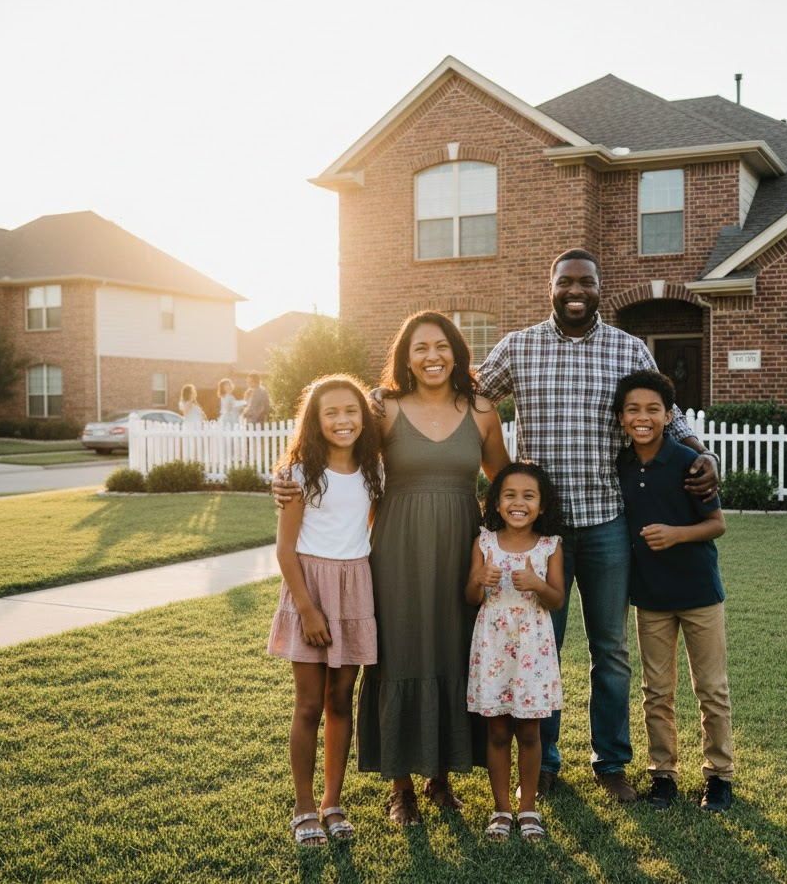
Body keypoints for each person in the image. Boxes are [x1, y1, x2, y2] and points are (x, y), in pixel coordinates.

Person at [476, 248, 720, 802]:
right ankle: (548, 764)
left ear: (600, 289)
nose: (576, 290)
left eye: (586, 282)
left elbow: (668, 414)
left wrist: (703, 454)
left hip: (609, 522)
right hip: (544, 534)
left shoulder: (628, 348)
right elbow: (467, 396)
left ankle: (610, 762)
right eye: (566, 281)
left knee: (610, 651)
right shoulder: (518, 347)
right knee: (544, 647)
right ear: (551, 287)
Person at [276, 311, 510, 826]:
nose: (432, 356)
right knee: (398, 652)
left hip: (459, 547)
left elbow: (502, 483)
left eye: (441, 346)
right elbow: (334, 455)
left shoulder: (483, 410)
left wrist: (515, 542)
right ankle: (401, 786)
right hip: (395, 549)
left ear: (457, 351)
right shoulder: (383, 408)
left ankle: (441, 778)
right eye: (420, 348)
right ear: (406, 357)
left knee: (452, 648)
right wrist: (284, 483)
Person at [266, 374, 384, 846]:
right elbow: (284, 549)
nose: (342, 420)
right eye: (331, 412)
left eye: (351, 411)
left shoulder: (375, 469)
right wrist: (308, 609)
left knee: (342, 701)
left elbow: (366, 525)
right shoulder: (298, 475)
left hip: (355, 586)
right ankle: (303, 807)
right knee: (310, 704)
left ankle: (333, 802)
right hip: (309, 589)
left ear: (363, 418)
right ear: (314, 421)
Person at [612, 370, 733, 812]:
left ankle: (719, 776)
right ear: (621, 417)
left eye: (652, 410)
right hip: (651, 597)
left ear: (668, 415)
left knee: (711, 690)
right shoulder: (621, 464)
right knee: (656, 691)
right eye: (633, 410)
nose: (642, 417)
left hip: (700, 593)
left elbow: (717, 524)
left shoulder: (689, 461)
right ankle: (662, 774)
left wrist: (676, 534)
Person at [465, 462, 565, 842]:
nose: (518, 503)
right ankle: (501, 808)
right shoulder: (484, 543)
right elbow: (471, 597)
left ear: (541, 505)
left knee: (529, 730)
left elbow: (556, 600)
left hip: (532, 650)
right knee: (497, 730)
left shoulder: (549, 546)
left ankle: (528, 809)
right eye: (509, 495)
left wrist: (537, 584)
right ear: (495, 502)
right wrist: (480, 579)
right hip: (493, 646)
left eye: (528, 496)